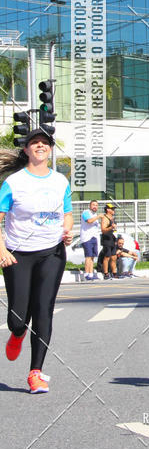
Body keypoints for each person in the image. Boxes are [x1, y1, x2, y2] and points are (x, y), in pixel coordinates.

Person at [0, 128, 73, 394]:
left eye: (45, 143)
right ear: (27, 150)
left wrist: (67, 231)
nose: (40, 146)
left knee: (43, 310)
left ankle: (35, 373)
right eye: (35, 143)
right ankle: (17, 333)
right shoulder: (14, 183)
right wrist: (2, 249)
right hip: (18, 254)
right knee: (18, 319)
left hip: (51, 253)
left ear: (50, 150)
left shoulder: (60, 182)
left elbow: (67, 214)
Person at [80, 199, 101, 281]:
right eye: (93, 205)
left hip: (94, 237)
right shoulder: (86, 212)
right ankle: (87, 274)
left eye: (96, 205)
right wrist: (98, 216)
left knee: (92, 256)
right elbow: (89, 221)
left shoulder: (95, 214)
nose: (95, 206)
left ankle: (91, 273)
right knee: (88, 256)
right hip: (87, 237)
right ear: (90, 206)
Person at [100, 204, 118, 280]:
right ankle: (106, 273)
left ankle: (114, 273)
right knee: (107, 256)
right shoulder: (105, 218)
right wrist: (111, 227)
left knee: (114, 257)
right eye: (112, 209)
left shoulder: (112, 218)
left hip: (112, 238)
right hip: (106, 239)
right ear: (108, 210)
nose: (113, 210)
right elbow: (103, 230)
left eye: (114, 209)